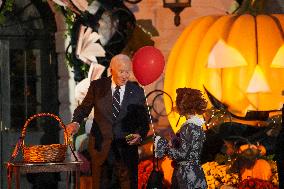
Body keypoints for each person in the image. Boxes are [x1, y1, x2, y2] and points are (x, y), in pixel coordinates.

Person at [66, 54, 150, 189]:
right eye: (121, 71)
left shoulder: (137, 91)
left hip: (126, 153)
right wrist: (75, 122)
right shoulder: (97, 86)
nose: (125, 76)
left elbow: (144, 121)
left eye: (128, 71)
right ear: (111, 70)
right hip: (101, 150)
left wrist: (140, 134)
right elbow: (84, 108)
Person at [155, 87, 208, 189]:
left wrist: (161, 143)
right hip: (195, 172)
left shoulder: (189, 127)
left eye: (177, 101)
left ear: (183, 105)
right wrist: (175, 142)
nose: (175, 104)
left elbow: (182, 154)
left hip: (187, 175)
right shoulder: (196, 125)